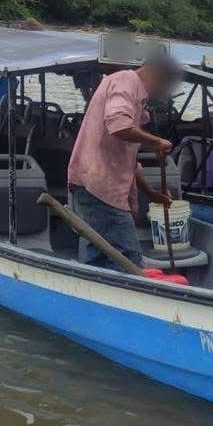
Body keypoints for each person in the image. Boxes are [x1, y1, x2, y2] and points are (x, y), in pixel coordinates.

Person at [67, 54, 179, 268]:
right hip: (98, 184)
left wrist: (152, 194)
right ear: (156, 74)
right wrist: (156, 142)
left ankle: (92, 294)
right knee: (127, 256)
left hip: (100, 183)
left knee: (99, 250)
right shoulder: (125, 82)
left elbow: (128, 163)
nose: (161, 92)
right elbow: (119, 126)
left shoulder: (136, 97)